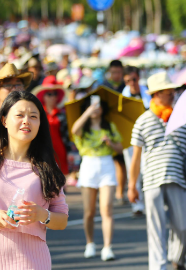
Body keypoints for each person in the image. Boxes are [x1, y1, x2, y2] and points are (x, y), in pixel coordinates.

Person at [0, 91, 68, 269]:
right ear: (4, 120)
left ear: (40, 123)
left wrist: (41, 215)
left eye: (33, 116)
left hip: (33, 262)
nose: (26, 121)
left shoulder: (47, 166)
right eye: (20, 115)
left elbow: (62, 219)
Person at [127, 72, 186, 270]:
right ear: (156, 94)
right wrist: (131, 186)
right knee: (156, 228)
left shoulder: (182, 119)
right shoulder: (142, 120)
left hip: (178, 178)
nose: (171, 94)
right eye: (167, 91)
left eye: (172, 90)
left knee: (183, 226)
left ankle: (177, 260)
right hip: (152, 180)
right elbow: (136, 158)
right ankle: (158, 266)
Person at [71, 93, 123, 261]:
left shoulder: (110, 126)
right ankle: (90, 243)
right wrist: (88, 111)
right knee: (89, 211)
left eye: (98, 105)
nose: (95, 108)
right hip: (88, 165)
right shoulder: (82, 128)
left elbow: (120, 148)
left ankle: (108, 247)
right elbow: (74, 130)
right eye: (92, 105)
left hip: (107, 165)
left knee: (107, 209)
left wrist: (110, 142)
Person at [122, 65, 149, 217]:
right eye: (128, 80)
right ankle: (137, 205)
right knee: (133, 171)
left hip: (146, 138)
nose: (132, 83)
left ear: (138, 78)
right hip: (130, 139)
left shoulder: (148, 93)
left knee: (146, 170)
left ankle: (147, 202)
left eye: (134, 79)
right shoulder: (122, 97)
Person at [33, 76, 69, 175]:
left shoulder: (62, 114)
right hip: (42, 150)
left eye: (54, 94)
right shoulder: (37, 114)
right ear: (43, 96)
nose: (52, 97)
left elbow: (67, 135)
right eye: (49, 94)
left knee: (60, 181)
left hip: (60, 151)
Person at [102, 60, 127, 203]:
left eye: (118, 72)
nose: (116, 75)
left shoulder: (126, 87)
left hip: (121, 128)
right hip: (106, 127)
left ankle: (119, 193)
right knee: (108, 161)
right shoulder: (104, 86)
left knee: (120, 162)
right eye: (113, 72)